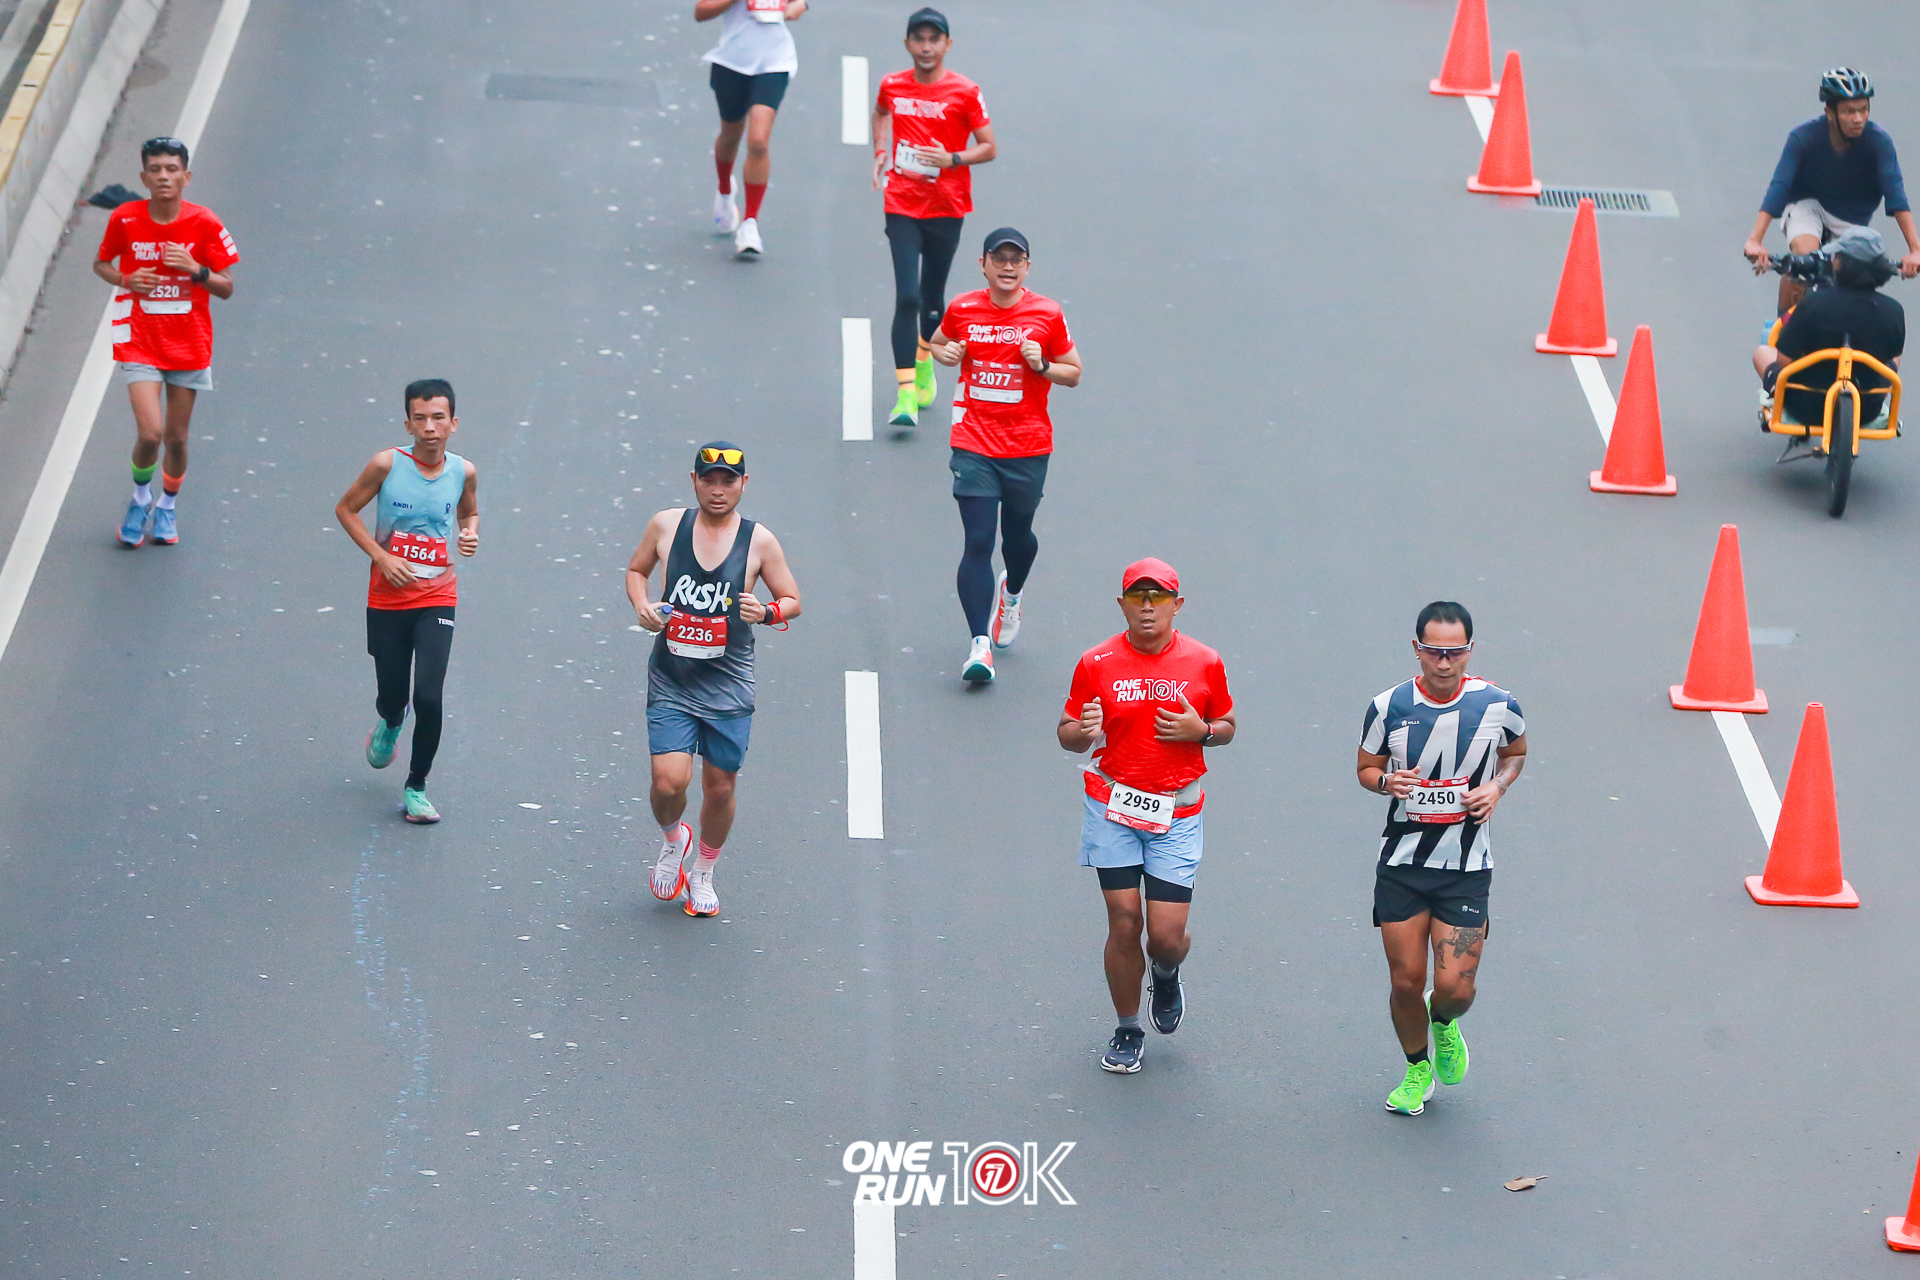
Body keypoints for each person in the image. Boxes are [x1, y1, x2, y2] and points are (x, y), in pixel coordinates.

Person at [1057, 560, 1235, 1074]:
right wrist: (1082, 731)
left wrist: (1201, 732)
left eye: (1158, 597)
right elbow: (1067, 733)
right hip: (1113, 805)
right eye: (1138, 597)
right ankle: (1127, 1027)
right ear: (1123, 605)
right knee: (1124, 920)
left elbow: (1226, 724)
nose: (1148, 606)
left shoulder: (1204, 661)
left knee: (1165, 936)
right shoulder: (1096, 662)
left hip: (1176, 812)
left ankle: (1166, 970)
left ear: (1177, 605)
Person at [1355, 602, 1526, 1116]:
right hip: (1402, 867)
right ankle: (1416, 1069)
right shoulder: (1387, 706)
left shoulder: (1500, 705)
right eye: (1434, 651)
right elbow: (1366, 768)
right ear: (1417, 649)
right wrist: (1387, 782)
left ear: (1470, 650)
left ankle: (1444, 1020)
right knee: (1405, 980)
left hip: (1466, 871)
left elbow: (1515, 754)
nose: (1444, 662)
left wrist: (1497, 787)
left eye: (1454, 652)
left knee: (1455, 988)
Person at [626, 443, 802, 917]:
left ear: (744, 484)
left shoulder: (759, 541)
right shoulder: (667, 526)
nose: (718, 489)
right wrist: (642, 606)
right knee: (668, 783)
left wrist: (766, 611)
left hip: (728, 684)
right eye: (709, 479)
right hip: (672, 679)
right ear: (694, 481)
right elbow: (637, 570)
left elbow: (791, 599)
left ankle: (703, 870)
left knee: (720, 787)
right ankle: (673, 840)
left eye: (728, 480)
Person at [928, 227, 1080, 683]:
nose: (1008, 266)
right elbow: (937, 342)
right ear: (984, 264)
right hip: (973, 441)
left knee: (1018, 538)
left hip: (1027, 446)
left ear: (1027, 267)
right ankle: (979, 644)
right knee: (978, 541)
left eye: (1017, 260)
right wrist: (946, 353)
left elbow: (1073, 372)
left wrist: (1041, 365)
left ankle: (1011, 592)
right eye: (1000, 258)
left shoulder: (1047, 313)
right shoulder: (963, 308)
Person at [334, 379, 480, 825]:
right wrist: (382, 557)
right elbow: (346, 510)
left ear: (453, 423)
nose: (430, 427)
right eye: (420, 418)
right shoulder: (386, 464)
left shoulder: (463, 471)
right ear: (408, 424)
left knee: (430, 697)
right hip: (387, 598)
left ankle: (416, 787)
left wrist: (470, 533)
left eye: (438, 418)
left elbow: (468, 511)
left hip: (438, 596)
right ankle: (391, 720)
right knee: (394, 694)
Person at [93, 137, 238, 547]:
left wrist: (196, 269)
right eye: (155, 170)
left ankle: (168, 505)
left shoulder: (204, 222)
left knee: (176, 438)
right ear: (143, 177)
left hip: (189, 344)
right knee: (150, 433)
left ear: (186, 177)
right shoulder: (125, 218)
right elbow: (101, 264)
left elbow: (226, 287)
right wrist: (126, 279)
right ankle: (141, 498)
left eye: (172, 170)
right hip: (139, 340)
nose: (163, 177)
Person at [870, 6, 995, 430]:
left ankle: (924, 358)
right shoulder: (892, 84)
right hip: (901, 203)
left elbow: (989, 146)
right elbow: (880, 112)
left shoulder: (965, 91)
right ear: (907, 44)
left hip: (947, 205)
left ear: (947, 45)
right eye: (918, 39)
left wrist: (952, 159)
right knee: (908, 296)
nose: (926, 47)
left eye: (933, 40)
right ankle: (906, 393)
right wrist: (881, 151)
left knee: (932, 298)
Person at [1744, 68, 1920, 314]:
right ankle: (1783, 328)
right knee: (1805, 263)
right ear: (1829, 113)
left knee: (1853, 285)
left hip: (1852, 219)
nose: (1858, 118)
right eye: (1849, 111)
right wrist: (1755, 241)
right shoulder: (1802, 137)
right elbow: (1779, 188)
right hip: (1808, 206)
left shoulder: (1879, 142)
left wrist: (1915, 251)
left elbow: (1896, 196)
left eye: (1864, 110)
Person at [1752, 227, 1906, 428]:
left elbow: (1784, 359)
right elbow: (1890, 358)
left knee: (1763, 353)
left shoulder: (1813, 303)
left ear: (1842, 263)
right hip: (1866, 408)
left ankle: (1776, 396)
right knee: (1894, 357)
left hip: (1806, 405)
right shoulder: (1893, 310)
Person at [697, 0, 807, 258]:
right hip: (731, 62)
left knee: (758, 141)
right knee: (731, 134)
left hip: (774, 64)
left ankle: (750, 223)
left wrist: (799, 6)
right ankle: (725, 190)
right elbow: (701, 12)